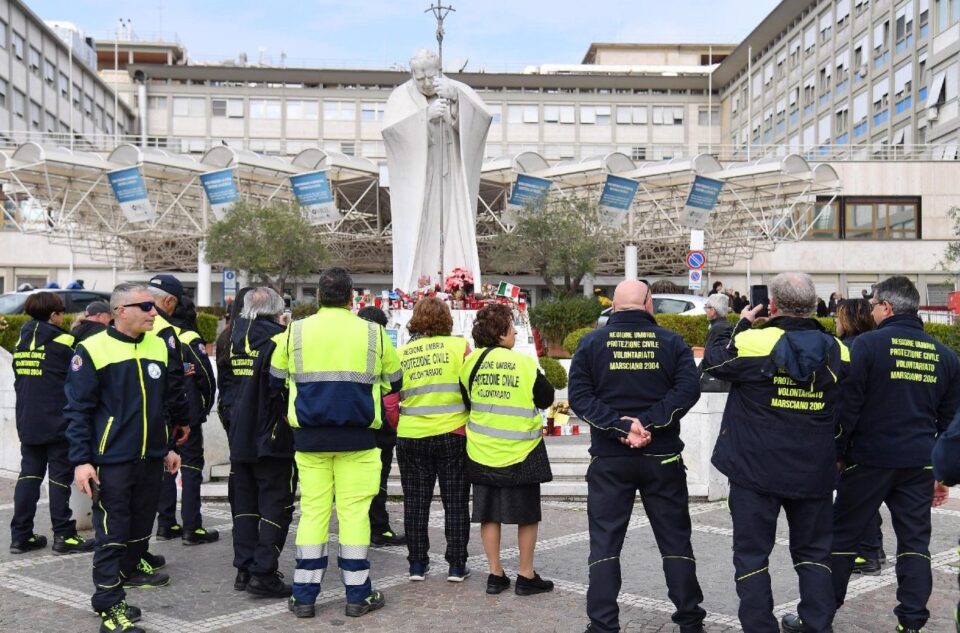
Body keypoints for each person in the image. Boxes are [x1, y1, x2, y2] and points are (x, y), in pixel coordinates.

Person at [702, 272, 849, 633]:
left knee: (752, 555)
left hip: (755, 469)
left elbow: (714, 363)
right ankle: (816, 625)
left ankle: (759, 627)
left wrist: (739, 323)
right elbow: (848, 410)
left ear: (772, 306)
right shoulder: (839, 350)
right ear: (815, 306)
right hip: (813, 468)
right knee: (815, 554)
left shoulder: (754, 341)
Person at [569, 280, 706, 633]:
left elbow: (580, 399)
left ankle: (602, 625)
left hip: (610, 460)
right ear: (648, 304)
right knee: (675, 541)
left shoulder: (591, 343)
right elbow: (688, 390)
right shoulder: (672, 342)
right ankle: (690, 620)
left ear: (614, 307)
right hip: (662, 457)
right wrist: (649, 423)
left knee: (605, 543)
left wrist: (620, 427)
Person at [270, 267, 402, 619]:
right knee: (354, 514)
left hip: (309, 439)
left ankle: (304, 597)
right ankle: (358, 595)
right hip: (359, 439)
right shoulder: (373, 333)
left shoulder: (294, 331)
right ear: (351, 297)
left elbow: (275, 379)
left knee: (313, 512)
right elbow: (395, 379)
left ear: (317, 296)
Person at [831, 276, 960, 633]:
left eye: (872, 305)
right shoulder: (945, 355)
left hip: (869, 459)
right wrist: (941, 472)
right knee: (915, 543)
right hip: (920, 463)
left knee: (843, 538)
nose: (870, 310)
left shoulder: (866, 347)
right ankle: (912, 622)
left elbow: (848, 407)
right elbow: (951, 423)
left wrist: (837, 454)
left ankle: (820, 613)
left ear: (886, 307)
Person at [65, 282, 184, 633]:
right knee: (111, 534)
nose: (154, 312)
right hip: (111, 460)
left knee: (137, 531)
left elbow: (163, 404)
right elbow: (77, 410)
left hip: (150, 458)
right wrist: (82, 460)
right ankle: (108, 605)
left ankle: (118, 587)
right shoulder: (91, 349)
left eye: (153, 307)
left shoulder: (159, 346)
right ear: (120, 312)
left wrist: (169, 446)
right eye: (146, 307)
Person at [461, 303, 555, 597]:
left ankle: (495, 573)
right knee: (526, 514)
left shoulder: (471, 363)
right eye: (512, 328)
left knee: (488, 514)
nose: (515, 332)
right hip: (521, 452)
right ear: (501, 335)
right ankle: (526, 575)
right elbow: (545, 398)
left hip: (482, 450)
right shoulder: (525, 363)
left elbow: (467, 401)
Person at [382, 48, 492, 291]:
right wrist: (425, 117)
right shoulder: (400, 97)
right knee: (422, 228)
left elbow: (482, 120)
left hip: (451, 176)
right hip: (420, 179)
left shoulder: (456, 89)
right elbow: (392, 134)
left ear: (439, 70)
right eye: (419, 78)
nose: (426, 83)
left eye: (431, 77)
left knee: (455, 224)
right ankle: (418, 286)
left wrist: (457, 102)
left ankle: (457, 282)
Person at [10, 292, 94, 555]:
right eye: (60, 313)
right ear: (53, 315)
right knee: (59, 479)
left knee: (29, 477)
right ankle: (63, 536)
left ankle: (20, 536)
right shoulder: (66, 341)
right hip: (58, 420)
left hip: (27, 420)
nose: (62, 318)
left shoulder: (20, 342)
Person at [227, 287, 297, 598]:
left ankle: (244, 568)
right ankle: (264, 572)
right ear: (276, 309)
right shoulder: (280, 339)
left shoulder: (230, 337)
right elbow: (281, 387)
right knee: (276, 504)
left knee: (244, 504)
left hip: (239, 431)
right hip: (272, 435)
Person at [395, 297, 471, 582]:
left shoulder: (402, 353)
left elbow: (392, 398)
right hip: (453, 434)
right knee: (456, 501)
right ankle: (456, 565)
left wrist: (398, 425)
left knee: (415, 502)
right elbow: (470, 386)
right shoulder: (458, 347)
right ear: (447, 320)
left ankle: (416, 564)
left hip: (412, 435)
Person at [148, 274, 217, 546]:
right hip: (184, 414)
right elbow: (206, 378)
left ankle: (166, 524)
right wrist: (205, 407)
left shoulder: (148, 330)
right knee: (190, 468)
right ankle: (192, 527)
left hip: (157, 415)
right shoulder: (185, 336)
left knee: (166, 468)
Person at [834, 298, 887, 576]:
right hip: (877, 432)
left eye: (838, 317)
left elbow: (846, 399)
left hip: (855, 434)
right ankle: (874, 548)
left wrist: (839, 446)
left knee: (854, 496)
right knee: (868, 497)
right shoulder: (877, 343)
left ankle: (866, 554)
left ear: (850, 319)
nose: (835, 322)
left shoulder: (850, 349)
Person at [356, 306, 406, 550]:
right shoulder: (381, 345)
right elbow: (395, 382)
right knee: (378, 480)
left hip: (353, 424)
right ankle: (379, 528)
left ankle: (359, 528)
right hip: (378, 423)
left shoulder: (349, 346)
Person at [701, 293, 733, 393]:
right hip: (725, 379)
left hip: (717, 383)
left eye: (707, 308)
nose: (705, 311)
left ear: (713, 310)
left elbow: (707, 357)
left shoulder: (717, 328)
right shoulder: (725, 325)